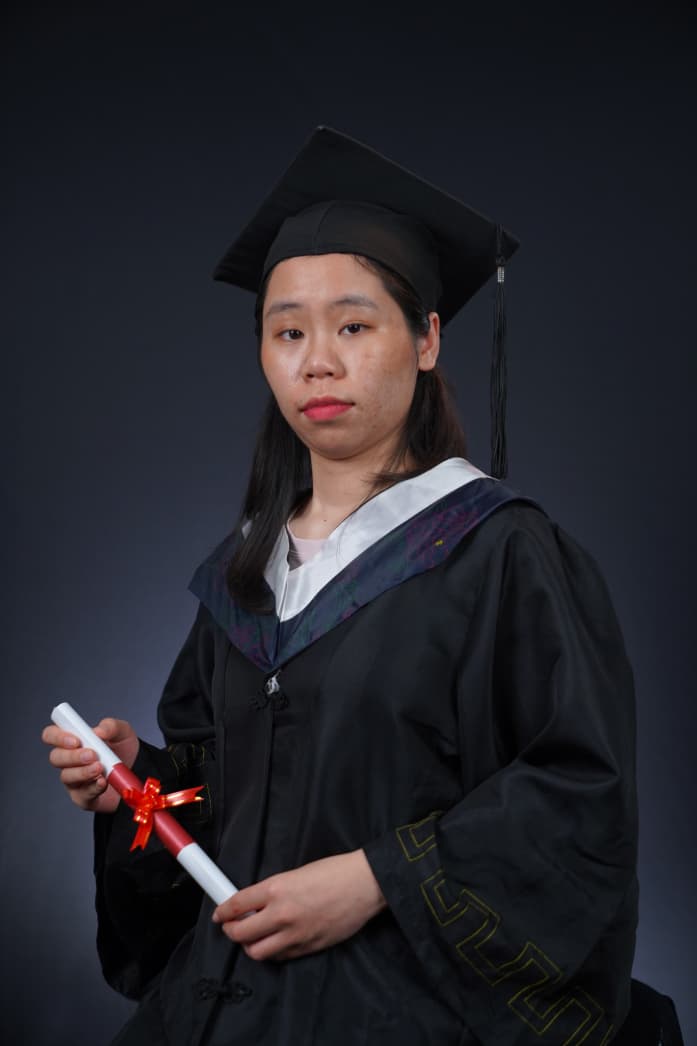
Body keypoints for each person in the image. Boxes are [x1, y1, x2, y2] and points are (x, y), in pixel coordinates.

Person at [42, 127, 638, 1046]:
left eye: (353, 326)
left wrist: (376, 877)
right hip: (225, 1004)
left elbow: (578, 795)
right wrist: (140, 786)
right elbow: (221, 790)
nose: (316, 360)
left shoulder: (501, 553)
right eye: (288, 332)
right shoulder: (244, 577)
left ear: (427, 339)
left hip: (403, 1013)